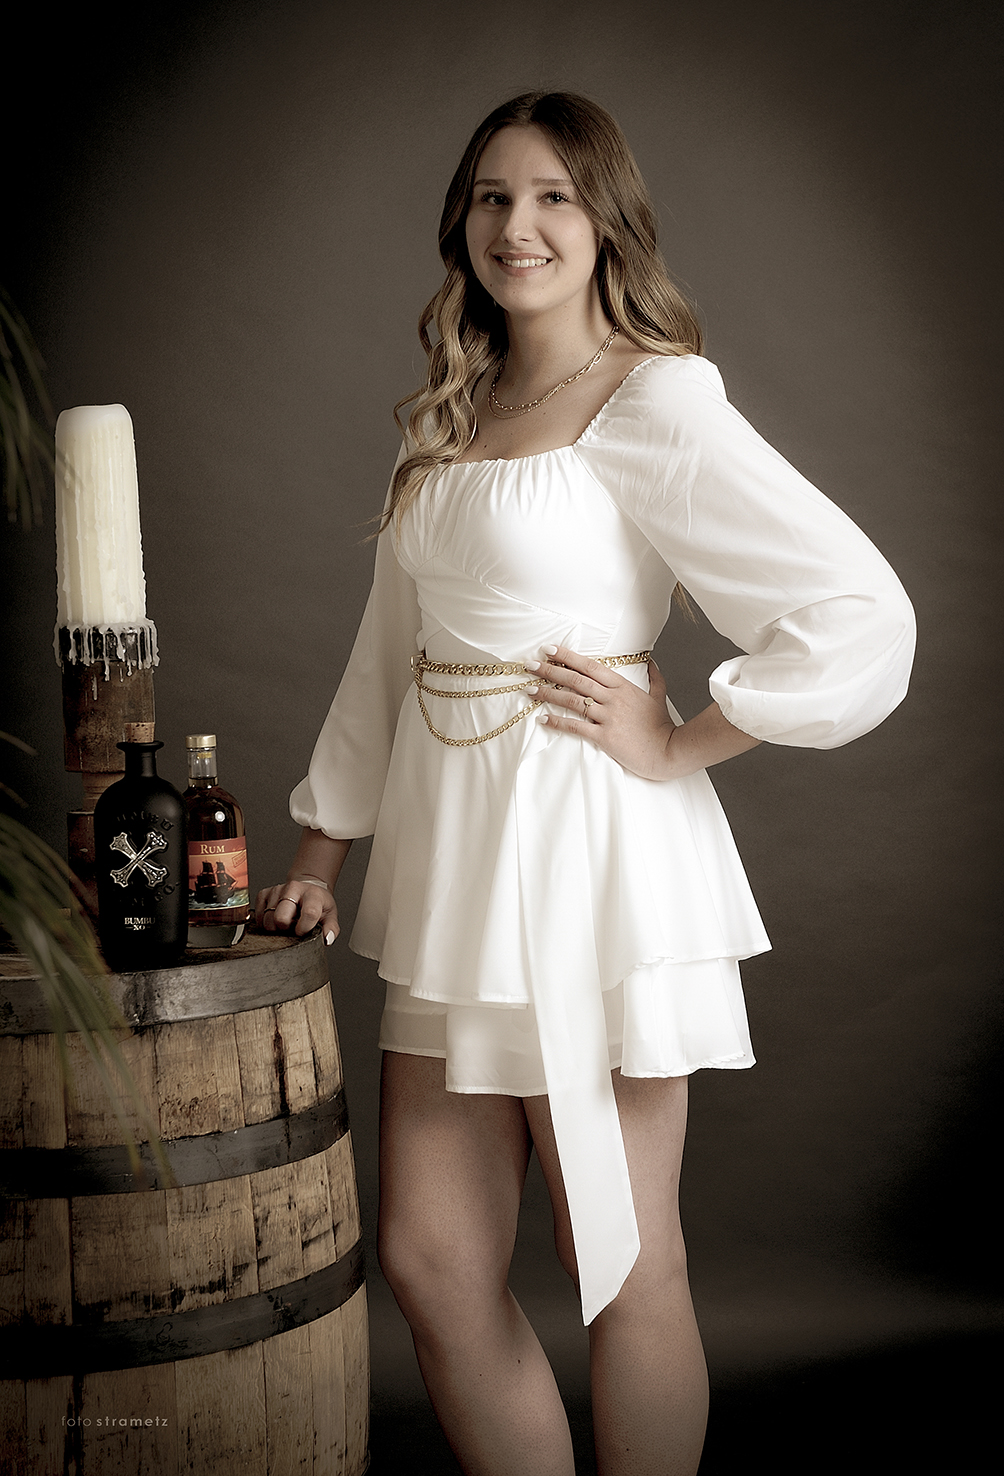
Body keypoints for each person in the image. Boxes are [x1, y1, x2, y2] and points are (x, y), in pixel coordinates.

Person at [256, 91, 915, 1476]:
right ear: (463, 222)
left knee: (618, 1255)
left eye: (555, 195)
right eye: (494, 196)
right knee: (434, 1261)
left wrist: (684, 740)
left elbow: (860, 614)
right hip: (453, 876)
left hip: (593, 864)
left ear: (608, 218)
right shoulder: (448, 410)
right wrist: (322, 847)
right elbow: (388, 654)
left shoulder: (656, 397)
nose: (520, 225)